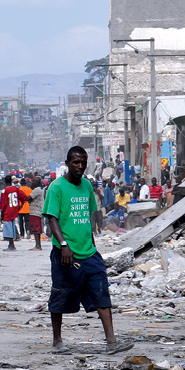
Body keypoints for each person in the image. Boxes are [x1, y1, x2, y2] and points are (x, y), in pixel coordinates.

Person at [43, 145, 131, 355]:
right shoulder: (57, 188)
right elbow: (52, 218)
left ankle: (111, 342)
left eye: (83, 162)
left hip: (89, 253)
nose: (80, 166)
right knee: (61, 295)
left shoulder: (87, 187)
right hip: (65, 253)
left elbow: (91, 215)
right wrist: (64, 245)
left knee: (101, 293)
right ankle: (57, 341)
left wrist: (92, 240)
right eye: (76, 162)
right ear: (67, 163)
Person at [1, 176, 24, 251]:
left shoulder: (4, 191)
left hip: (7, 211)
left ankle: (11, 244)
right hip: (14, 210)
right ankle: (12, 243)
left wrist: (1, 214)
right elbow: (24, 198)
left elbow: (3, 204)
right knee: (12, 226)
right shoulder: (16, 189)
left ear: (4, 183)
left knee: (8, 228)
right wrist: (20, 207)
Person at [27, 177, 46, 251]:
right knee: (35, 229)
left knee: (36, 229)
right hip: (35, 211)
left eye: (33, 181)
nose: (31, 182)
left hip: (36, 211)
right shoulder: (39, 190)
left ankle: (38, 246)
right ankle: (37, 245)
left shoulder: (37, 190)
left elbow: (29, 198)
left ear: (36, 183)